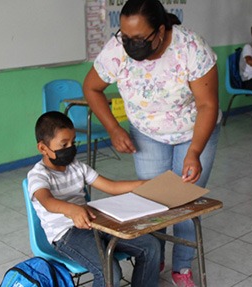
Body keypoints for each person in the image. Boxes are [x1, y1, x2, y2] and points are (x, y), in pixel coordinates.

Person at [83, 0, 221, 286]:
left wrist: (195, 151)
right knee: (152, 201)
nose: (130, 45)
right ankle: (153, 256)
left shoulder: (190, 48)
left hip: (195, 131)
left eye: (139, 39)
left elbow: (207, 104)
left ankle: (181, 267)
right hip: (147, 133)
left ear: (160, 30)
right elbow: (92, 87)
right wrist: (113, 127)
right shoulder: (115, 51)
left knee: (184, 203)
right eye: (125, 37)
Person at [27, 111, 160, 287]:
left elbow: (111, 187)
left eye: (73, 142)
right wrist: (72, 209)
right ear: (43, 148)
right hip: (66, 234)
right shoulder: (38, 175)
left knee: (151, 246)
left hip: (94, 222)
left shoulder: (77, 167)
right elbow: (47, 202)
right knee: (110, 272)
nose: (71, 148)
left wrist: (145, 184)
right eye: (64, 144)